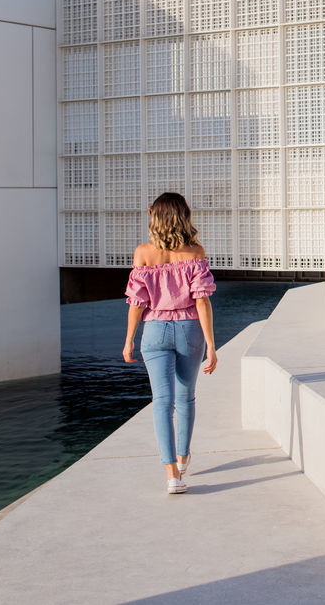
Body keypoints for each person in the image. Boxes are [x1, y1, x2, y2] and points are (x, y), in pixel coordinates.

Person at [122, 192, 219, 494]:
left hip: (154, 332)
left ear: (154, 215)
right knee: (186, 396)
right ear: (184, 216)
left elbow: (137, 303)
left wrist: (128, 340)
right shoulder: (195, 253)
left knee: (161, 402)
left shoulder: (143, 254)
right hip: (189, 329)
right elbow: (202, 302)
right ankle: (184, 456)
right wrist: (212, 346)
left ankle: (171, 474)